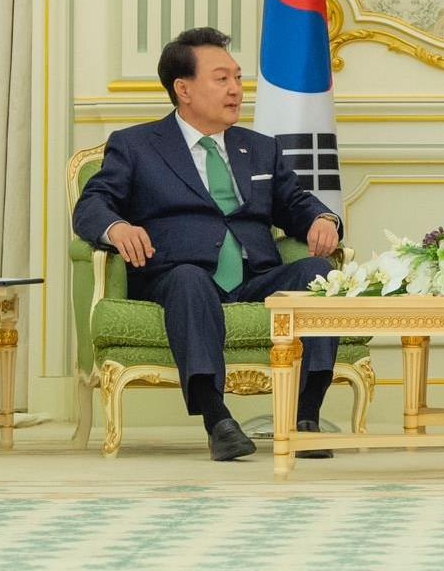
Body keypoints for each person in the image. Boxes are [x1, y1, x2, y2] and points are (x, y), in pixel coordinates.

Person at [74, 27, 342, 462]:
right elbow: (92, 205)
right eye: (221, 79)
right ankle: (217, 420)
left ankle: (306, 416)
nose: (236, 89)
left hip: (255, 276)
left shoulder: (260, 149)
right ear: (183, 89)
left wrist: (323, 219)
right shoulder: (137, 145)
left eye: (237, 77)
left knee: (319, 275)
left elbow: (296, 203)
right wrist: (117, 227)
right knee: (189, 280)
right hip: (178, 276)